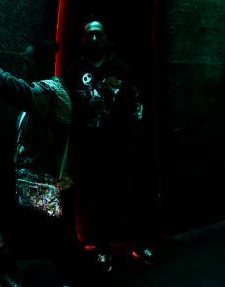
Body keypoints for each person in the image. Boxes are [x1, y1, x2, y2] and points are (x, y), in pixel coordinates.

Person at [65, 20, 154, 272]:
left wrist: (133, 138)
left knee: (127, 199)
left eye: (98, 34)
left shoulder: (121, 69)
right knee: (96, 203)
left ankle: (138, 244)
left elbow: (136, 103)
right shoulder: (73, 71)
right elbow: (66, 108)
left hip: (118, 148)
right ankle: (103, 250)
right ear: (83, 40)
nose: (94, 39)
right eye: (89, 35)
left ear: (106, 38)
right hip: (89, 151)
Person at [0, 40, 75, 287]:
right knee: (49, 240)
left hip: (46, 185)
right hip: (32, 185)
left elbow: (15, 90)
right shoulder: (40, 93)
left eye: (27, 62)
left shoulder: (53, 91)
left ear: (42, 64)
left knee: (57, 242)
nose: (23, 67)